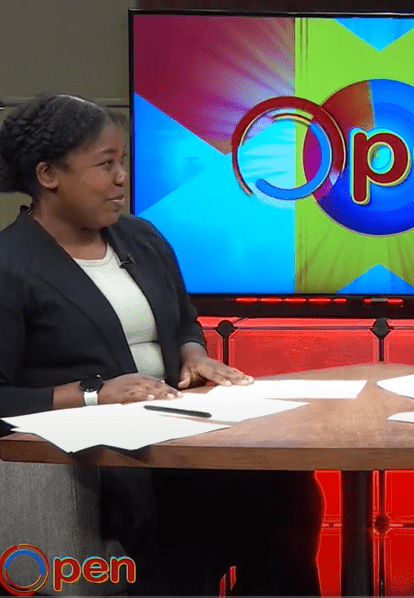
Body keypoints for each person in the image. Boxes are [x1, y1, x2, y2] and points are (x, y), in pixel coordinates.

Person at [0, 94, 324, 596]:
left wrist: (194, 355)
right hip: (111, 462)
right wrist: (94, 394)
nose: (121, 178)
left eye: (123, 162)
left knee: (288, 483)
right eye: (105, 165)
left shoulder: (140, 237)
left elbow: (183, 322)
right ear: (48, 175)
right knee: (214, 507)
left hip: (182, 433)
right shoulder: (10, 265)